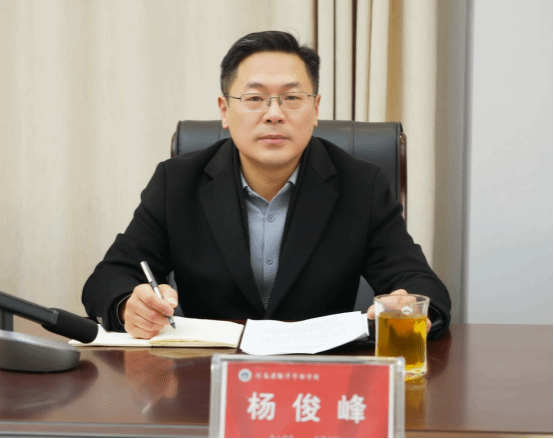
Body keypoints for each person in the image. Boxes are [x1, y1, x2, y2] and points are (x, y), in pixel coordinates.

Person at [82, 31, 451, 340]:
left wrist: (410, 306)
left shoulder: (361, 185)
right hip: (206, 375)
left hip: (319, 377)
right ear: (225, 111)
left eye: (292, 98)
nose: (274, 114)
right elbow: (110, 277)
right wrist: (128, 306)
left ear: (315, 109)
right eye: (255, 98)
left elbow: (420, 284)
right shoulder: (177, 182)